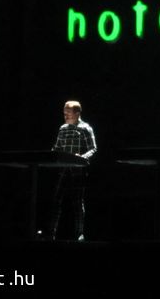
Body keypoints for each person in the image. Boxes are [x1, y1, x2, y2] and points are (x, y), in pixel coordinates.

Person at [46, 100, 97, 241]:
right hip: (63, 170)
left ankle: (79, 233)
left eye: (68, 113)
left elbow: (93, 148)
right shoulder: (62, 129)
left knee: (77, 202)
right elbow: (57, 148)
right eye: (64, 113)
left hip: (78, 171)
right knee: (56, 201)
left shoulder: (85, 128)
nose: (66, 116)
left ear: (77, 113)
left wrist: (82, 158)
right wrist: (52, 155)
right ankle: (51, 233)